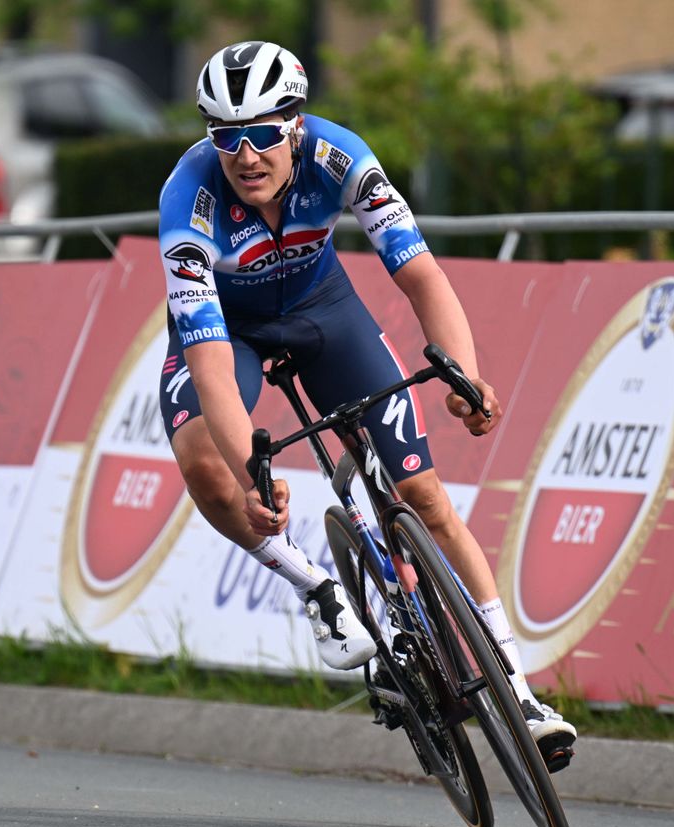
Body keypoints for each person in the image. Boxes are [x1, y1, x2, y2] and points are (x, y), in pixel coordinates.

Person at [157, 40, 576, 768]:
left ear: (295, 124)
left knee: (424, 495)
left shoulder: (341, 156)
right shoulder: (186, 202)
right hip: (232, 330)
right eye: (226, 136)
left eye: (262, 133)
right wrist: (252, 472)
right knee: (205, 462)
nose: (246, 155)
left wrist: (463, 377)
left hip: (324, 311)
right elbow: (213, 366)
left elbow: (421, 276)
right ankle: (318, 588)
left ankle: (520, 689)